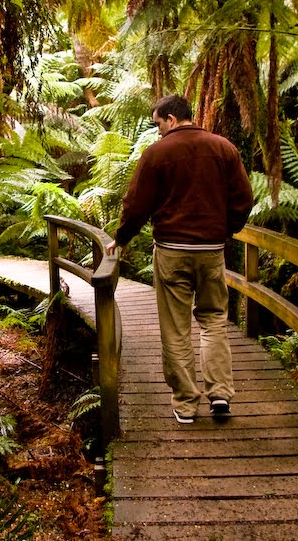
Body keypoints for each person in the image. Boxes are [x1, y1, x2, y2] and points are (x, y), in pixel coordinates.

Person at [104, 95, 253, 424]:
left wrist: (123, 238)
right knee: (214, 320)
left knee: (176, 329)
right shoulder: (223, 148)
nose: (157, 132)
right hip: (211, 252)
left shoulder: (157, 153)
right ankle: (220, 395)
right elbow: (243, 198)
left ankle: (186, 403)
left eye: (157, 124)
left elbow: (136, 204)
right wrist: (224, 231)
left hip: (171, 252)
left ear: (171, 118)